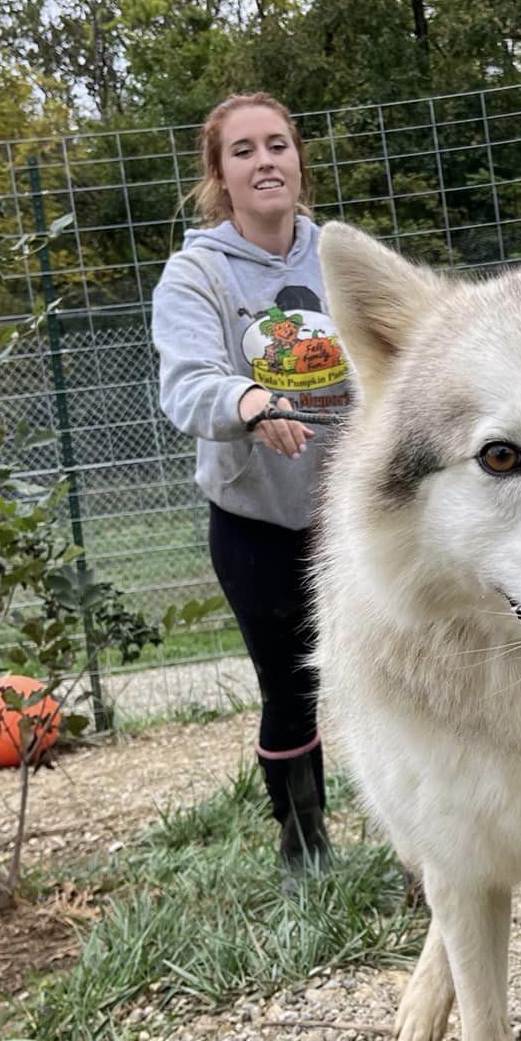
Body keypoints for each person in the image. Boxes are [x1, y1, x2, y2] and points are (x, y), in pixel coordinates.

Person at [152, 92, 351, 878]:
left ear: (298, 160)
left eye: (278, 144)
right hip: (257, 519)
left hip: (355, 513)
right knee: (290, 686)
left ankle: (424, 839)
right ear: (220, 176)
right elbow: (186, 383)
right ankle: (304, 844)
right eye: (243, 151)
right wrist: (251, 401)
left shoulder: (339, 252)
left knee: (400, 672)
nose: (265, 161)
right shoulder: (196, 273)